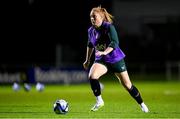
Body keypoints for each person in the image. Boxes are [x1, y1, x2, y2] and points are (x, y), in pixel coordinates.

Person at [83, 6, 149, 113]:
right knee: (92, 76)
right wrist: (87, 60)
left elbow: (114, 42)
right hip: (101, 60)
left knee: (128, 85)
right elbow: (90, 44)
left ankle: (142, 104)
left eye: (94, 16)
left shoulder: (108, 27)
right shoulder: (90, 30)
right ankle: (99, 101)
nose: (92, 19)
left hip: (115, 59)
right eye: (91, 17)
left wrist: (105, 52)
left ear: (102, 17)